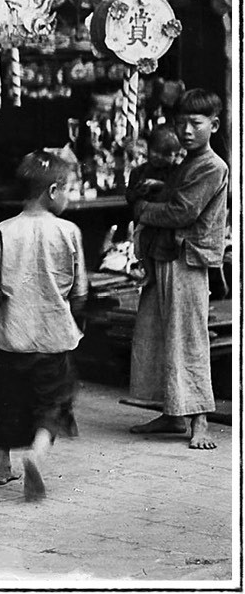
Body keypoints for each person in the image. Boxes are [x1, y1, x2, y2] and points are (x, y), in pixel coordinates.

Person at [0, 151, 87, 501]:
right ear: (52, 191)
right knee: (52, 403)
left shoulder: (4, 230)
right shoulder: (68, 231)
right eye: (67, 189)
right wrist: (76, 320)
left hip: (14, 336)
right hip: (54, 338)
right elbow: (80, 290)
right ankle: (37, 455)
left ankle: (1, 465)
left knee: (7, 401)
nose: (68, 197)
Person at [127, 89, 229, 450]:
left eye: (195, 123)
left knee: (188, 338)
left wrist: (142, 208)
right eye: (181, 123)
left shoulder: (213, 165)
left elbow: (182, 212)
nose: (186, 130)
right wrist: (160, 186)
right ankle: (173, 414)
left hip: (187, 258)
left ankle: (200, 421)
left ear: (213, 125)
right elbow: (175, 194)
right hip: (166, 253)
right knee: (159, 335)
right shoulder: (187, 161)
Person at [126, 125, 185, 263]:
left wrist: (160, 185)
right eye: (156, 151)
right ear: (148, 148)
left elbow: (180, 194)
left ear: (176, 155)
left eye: (166, 154)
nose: (159, 157)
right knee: (145, 255)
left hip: (167, 227)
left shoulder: (177, 172)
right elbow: (129, 197)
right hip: (144, 225)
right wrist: (137, 192)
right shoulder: (138, 172)